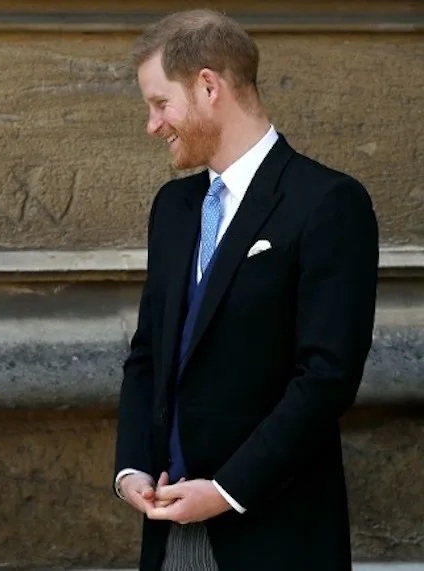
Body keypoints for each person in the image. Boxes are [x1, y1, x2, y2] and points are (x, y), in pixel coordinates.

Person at [113, 9, 378, 571]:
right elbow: (148, 356)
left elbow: (327, 378)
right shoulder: (173, 208)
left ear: (208, 86)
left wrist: (227, 489)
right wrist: (131, 467)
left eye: (160, 104)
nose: (152, 125)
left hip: (275, 535)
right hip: (169, 537)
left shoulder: (327, 203)